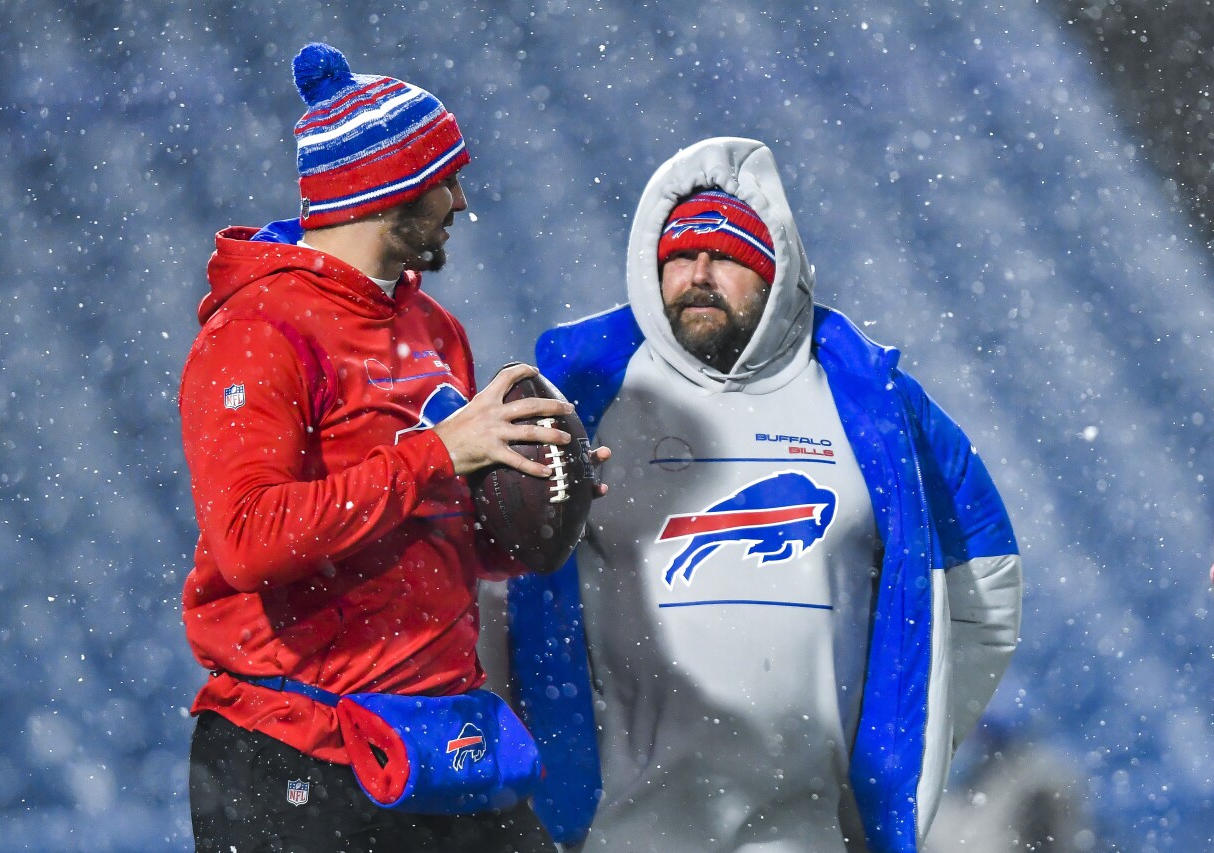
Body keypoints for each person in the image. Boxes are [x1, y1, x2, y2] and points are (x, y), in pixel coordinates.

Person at [504, 137, 1022, 852]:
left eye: (729, 257)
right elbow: (496, 584)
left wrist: (904, 749)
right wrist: (554, 771)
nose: (700, 274)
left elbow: (984, 579)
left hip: (804, 835)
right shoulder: (582, 393)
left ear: (779, 272)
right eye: (680, 256)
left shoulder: (873, 401)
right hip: (621, 833)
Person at [179, 42, 586, 853]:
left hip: (441, 735)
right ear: (384, 190)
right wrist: (439, 454)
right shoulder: (257, 334)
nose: (461, 201)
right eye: (444, 180)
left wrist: (536, 503)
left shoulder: (435, 330)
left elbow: (434, 539)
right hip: (298, 749)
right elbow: (249, 541)